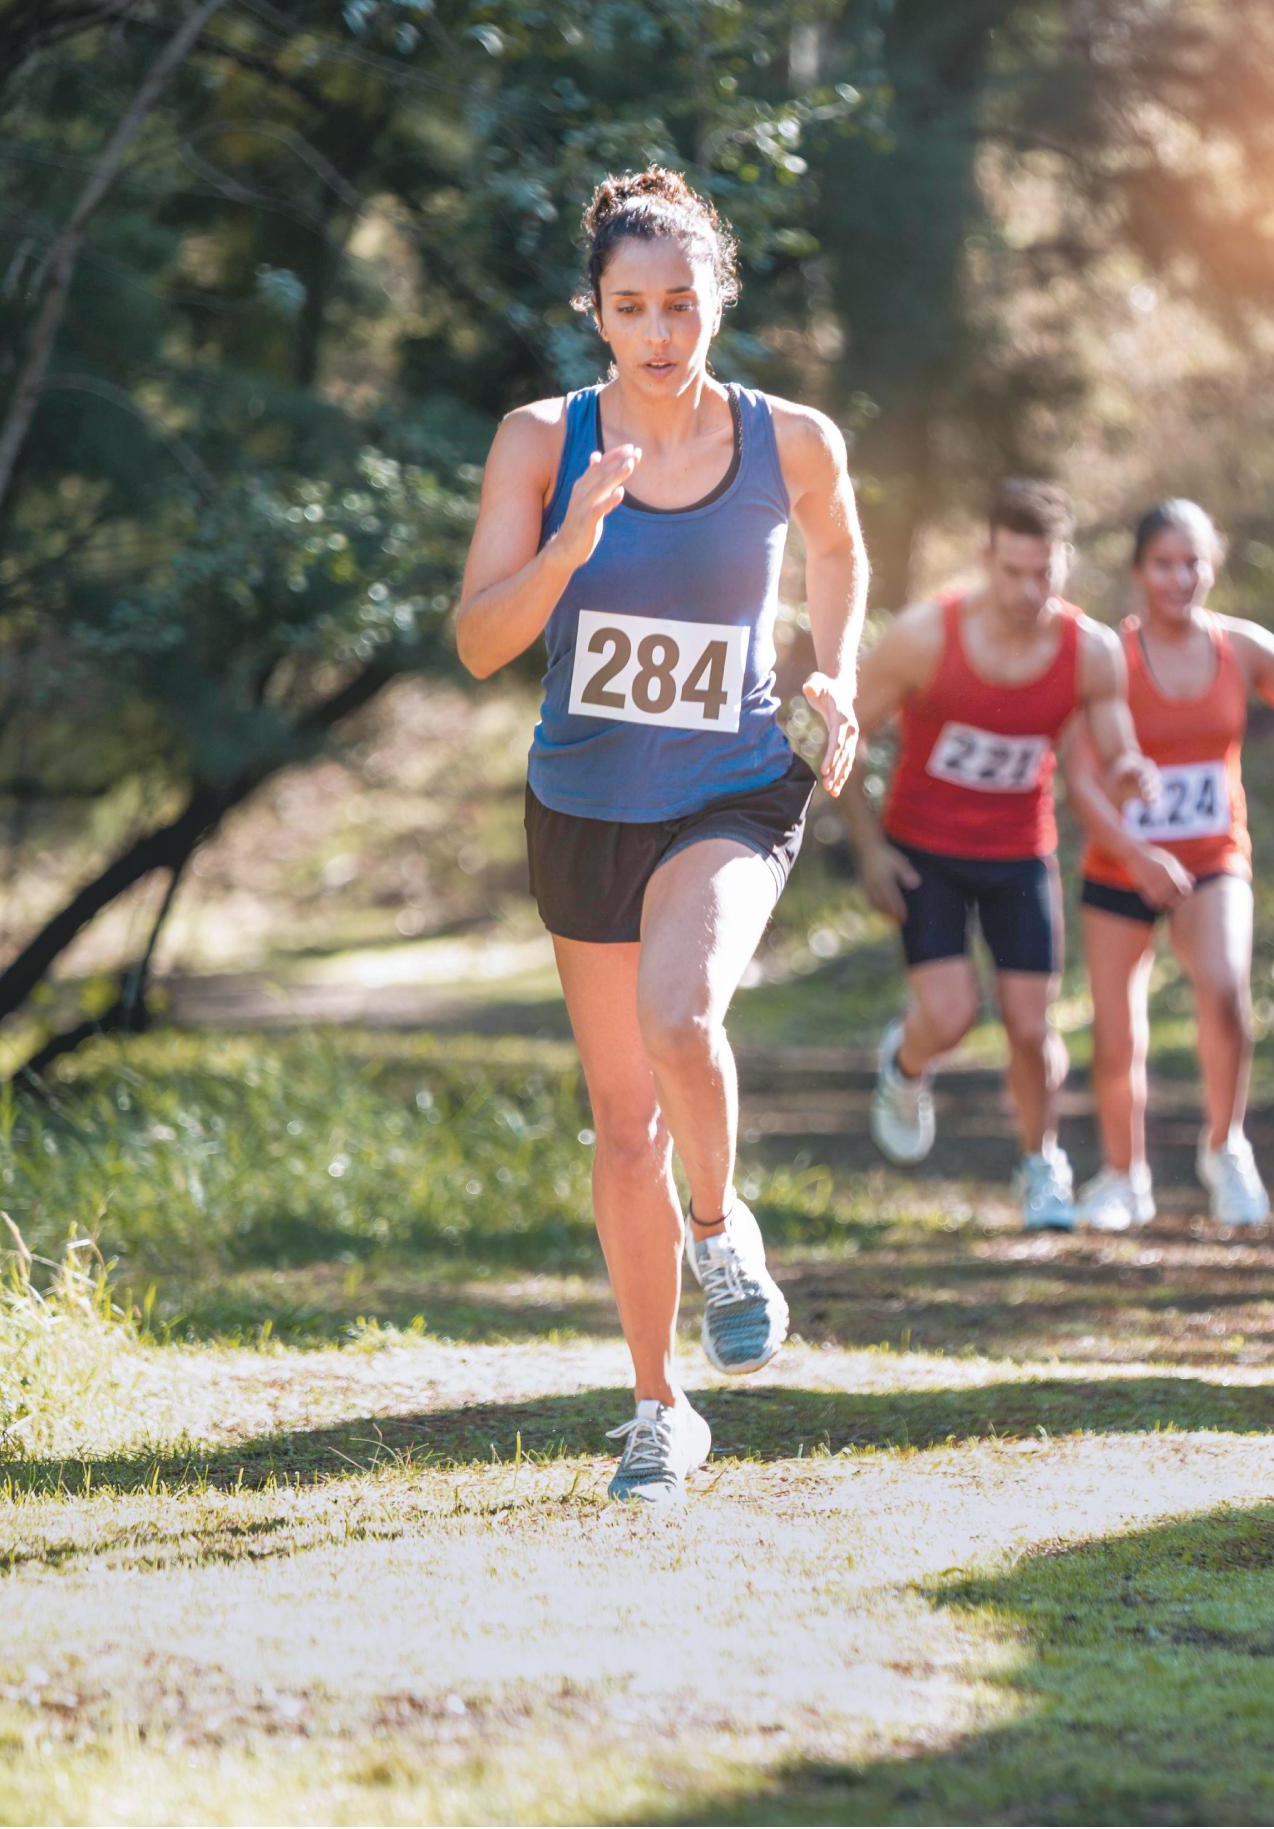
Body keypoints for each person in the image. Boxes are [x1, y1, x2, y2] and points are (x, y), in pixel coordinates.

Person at [451, 168, 868, 1502]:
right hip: (583, 804)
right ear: (595, 312)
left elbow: (839, 551)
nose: (658, 331)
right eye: (630, 306)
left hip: (730, 787)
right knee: (624, 1126)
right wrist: (567, 546)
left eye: (680, 303)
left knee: (683, 1016)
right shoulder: (539, 442)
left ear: (718, 301)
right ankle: (656, 1406)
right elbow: (478, 642)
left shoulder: (789, 439)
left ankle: (722, 1230)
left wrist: (834, 671)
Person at [837, 480, 1157, 1230]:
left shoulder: (1091, 651)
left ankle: (1042, 1167)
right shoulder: (925, 635)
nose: (1027, 590)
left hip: (1019, 852)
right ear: (987, 558)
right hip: (925, 851)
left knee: (1031, 1027)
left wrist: (1131, 770)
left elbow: (1116, 743)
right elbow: (843, 737)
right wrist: (870, 851)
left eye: (1043, 573)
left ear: (1064, 562)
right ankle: (905, 1064)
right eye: (1012, 572)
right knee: (951, 1016)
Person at [1063, 499, 1274, 1230]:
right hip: (1120, 863)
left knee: (1226, 994)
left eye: (1192, 562)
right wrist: (1135, 854)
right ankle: (1123, 1176)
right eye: (1163, 564)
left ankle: (1227, 1148)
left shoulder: (1242, 647)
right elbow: (1079, 779)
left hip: (1213, 857)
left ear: (1214, 563)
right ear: (1139, 571)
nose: (1179, 578)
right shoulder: (1107, 656)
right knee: (1116, 1036)